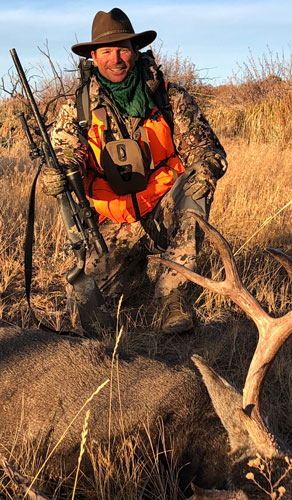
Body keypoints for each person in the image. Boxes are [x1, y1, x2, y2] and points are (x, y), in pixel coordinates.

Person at [42, 8, 227, 334]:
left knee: (198, 186)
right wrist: (58, 172)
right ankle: (146, 264)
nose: (116, 59)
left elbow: (209, 150)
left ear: (135, 51)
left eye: (123, 49)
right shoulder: (78, 106)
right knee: (82, 308)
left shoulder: (168, 96)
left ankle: (173, 296)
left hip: (163, 205)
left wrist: (206, 169)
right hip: (113, 219)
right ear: (94, 57)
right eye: (107, 51)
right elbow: (65, 153)